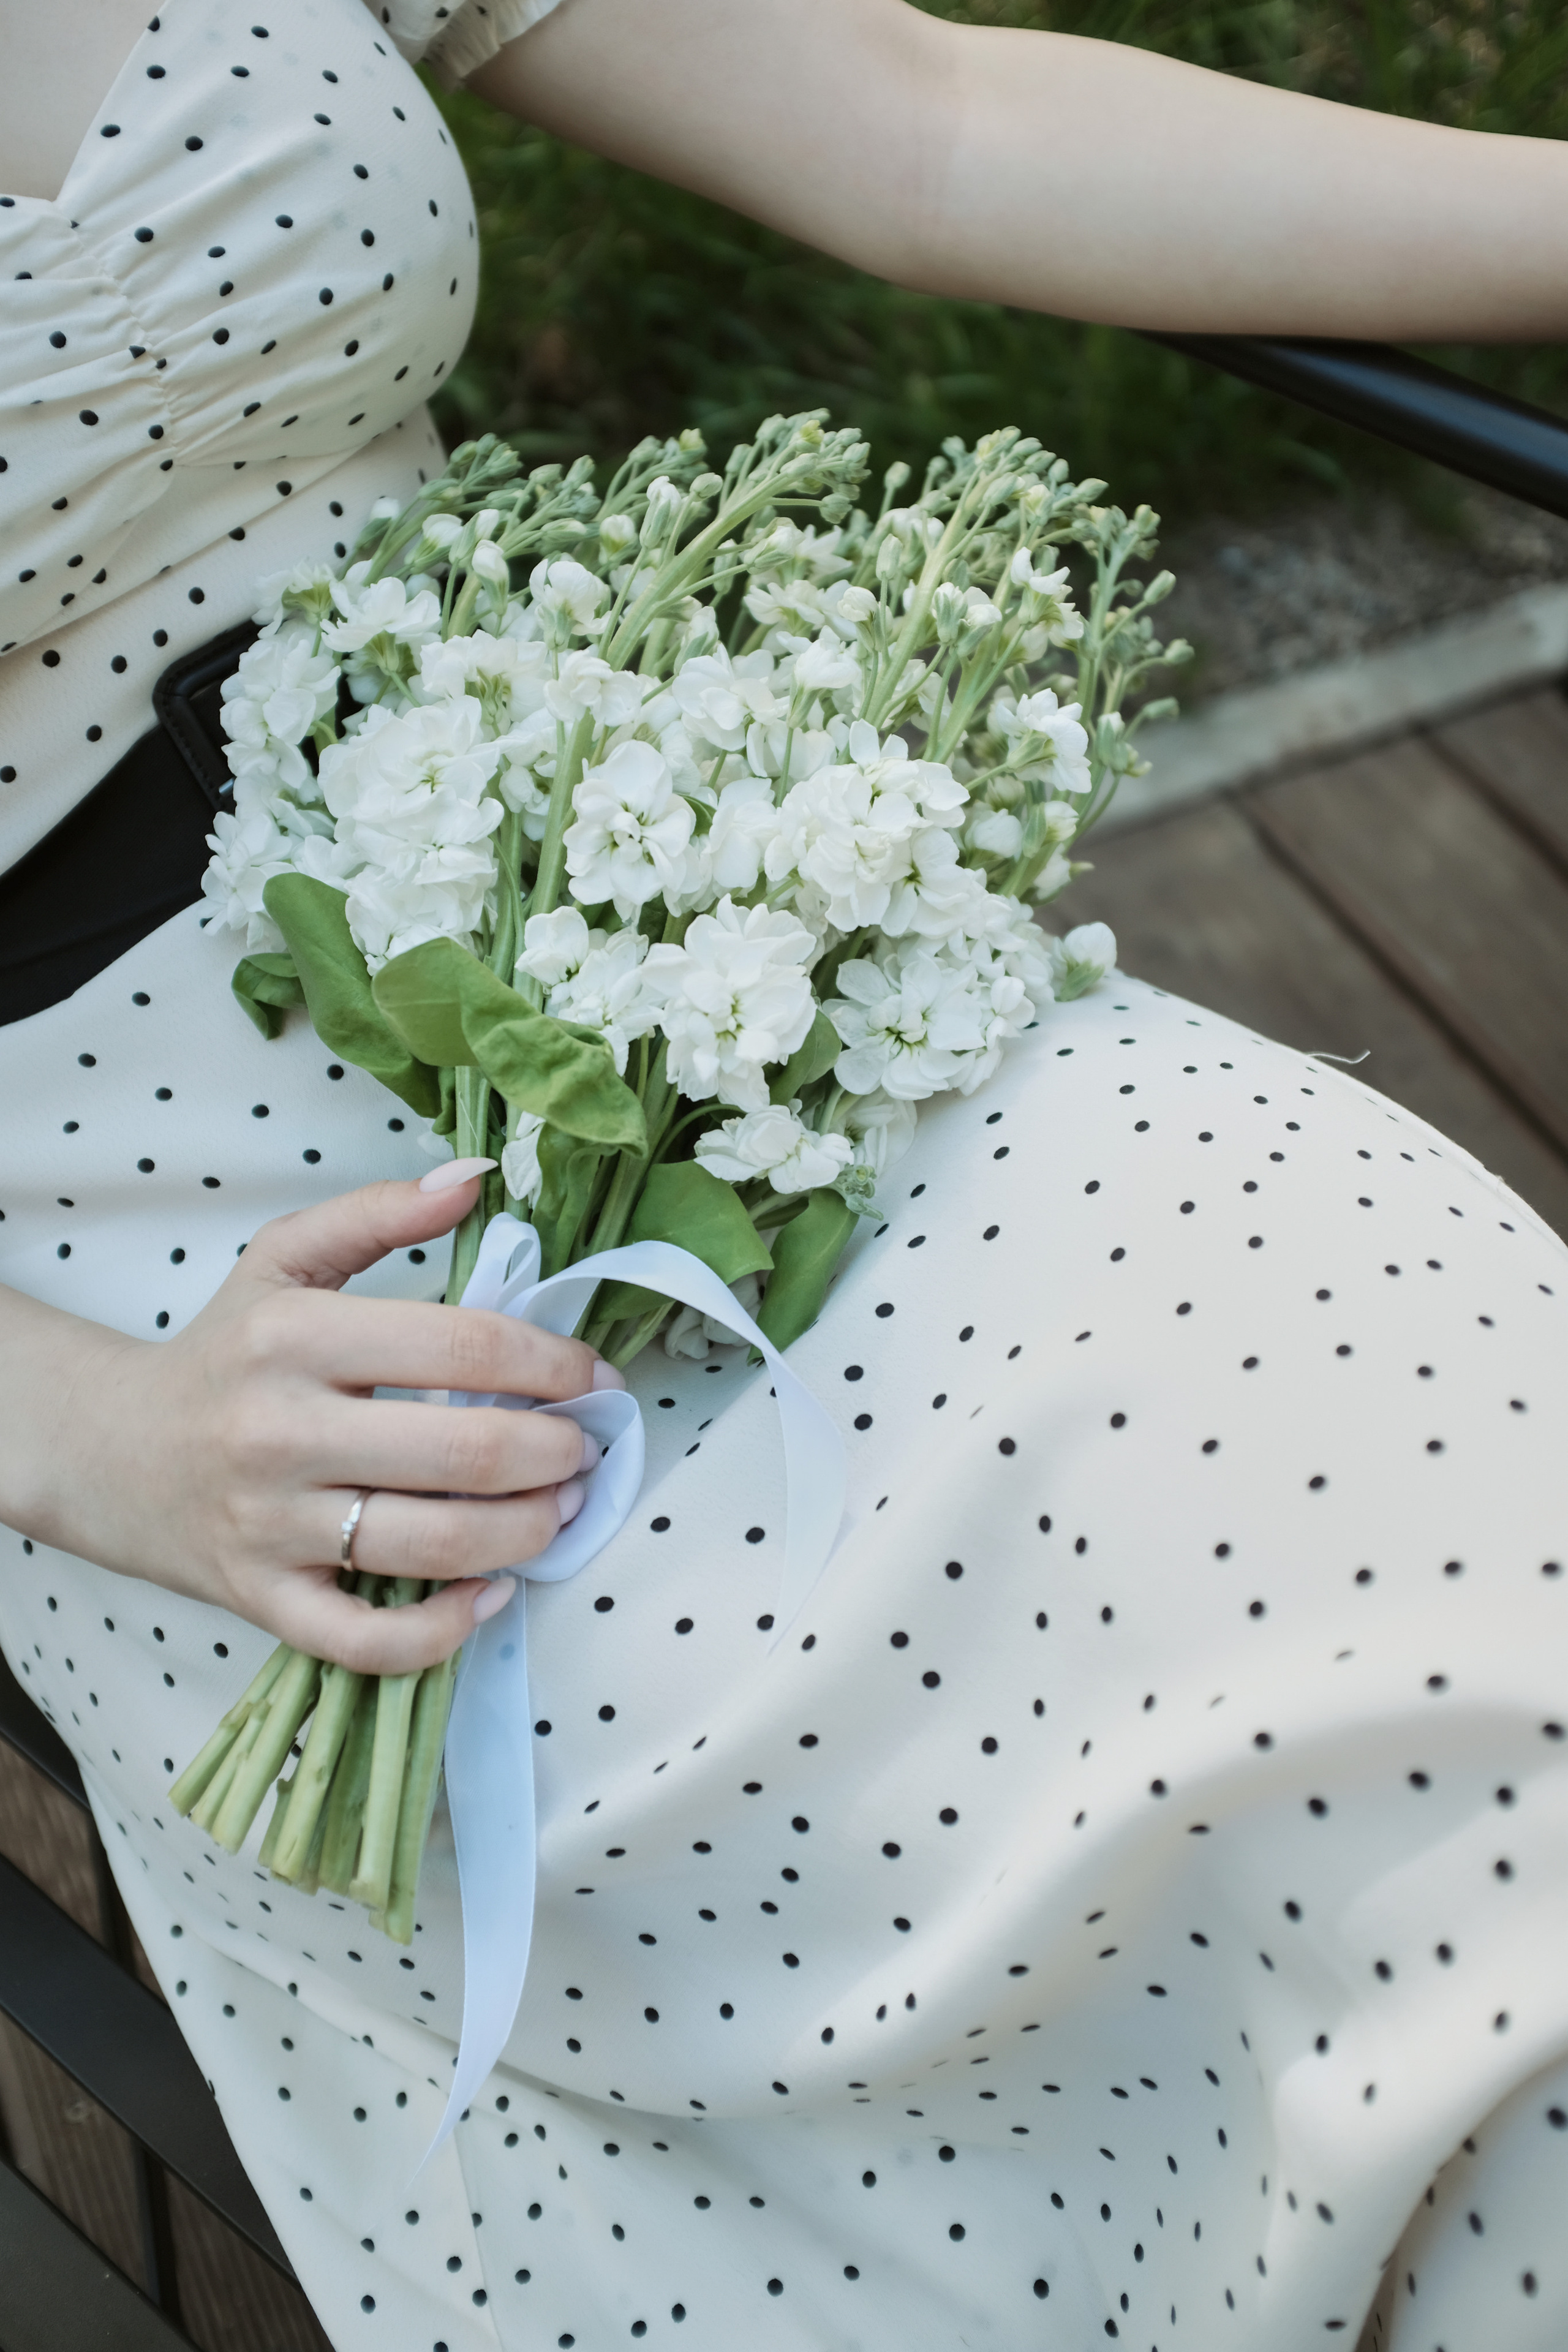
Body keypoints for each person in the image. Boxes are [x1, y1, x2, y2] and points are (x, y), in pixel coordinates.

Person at [1, 5, 1564, 2345]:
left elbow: (927, 121)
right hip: (182, 1305)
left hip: (694, 927)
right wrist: (108, 1449)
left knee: (1430, 1467)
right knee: (843, 1818)